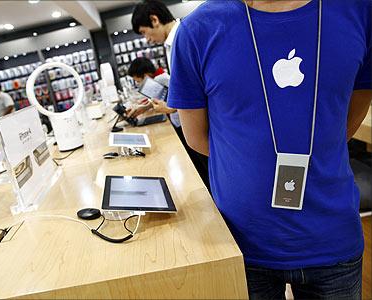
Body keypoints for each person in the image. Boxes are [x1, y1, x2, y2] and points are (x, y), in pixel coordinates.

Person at [168, 0, 371, 299]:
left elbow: (352, 112)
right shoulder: (198, 30)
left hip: (332, 237)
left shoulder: (358, 10)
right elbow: (197, 136)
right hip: (240, 242)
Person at [132, 0, 210, 190]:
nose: (147, 40)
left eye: (144, 32)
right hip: (193, 128)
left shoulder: (184, 38)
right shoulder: (171, 45)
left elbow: (194, 91)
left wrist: (169, 107)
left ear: (154, 19)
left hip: (202, 129)